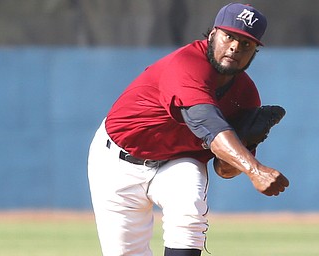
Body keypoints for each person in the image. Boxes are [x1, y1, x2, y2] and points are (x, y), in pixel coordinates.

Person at [88, 3, 289, 256]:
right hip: (117, 162)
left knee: (189, 212)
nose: (235, 47)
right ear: (213, 34)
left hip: (178, 161)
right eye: (229, 36)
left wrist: (246, 145)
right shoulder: (186, 64)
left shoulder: (246, 96)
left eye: (246, 44)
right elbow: (207, 123)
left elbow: (223, 169)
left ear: (254, 52)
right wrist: (254, 169)